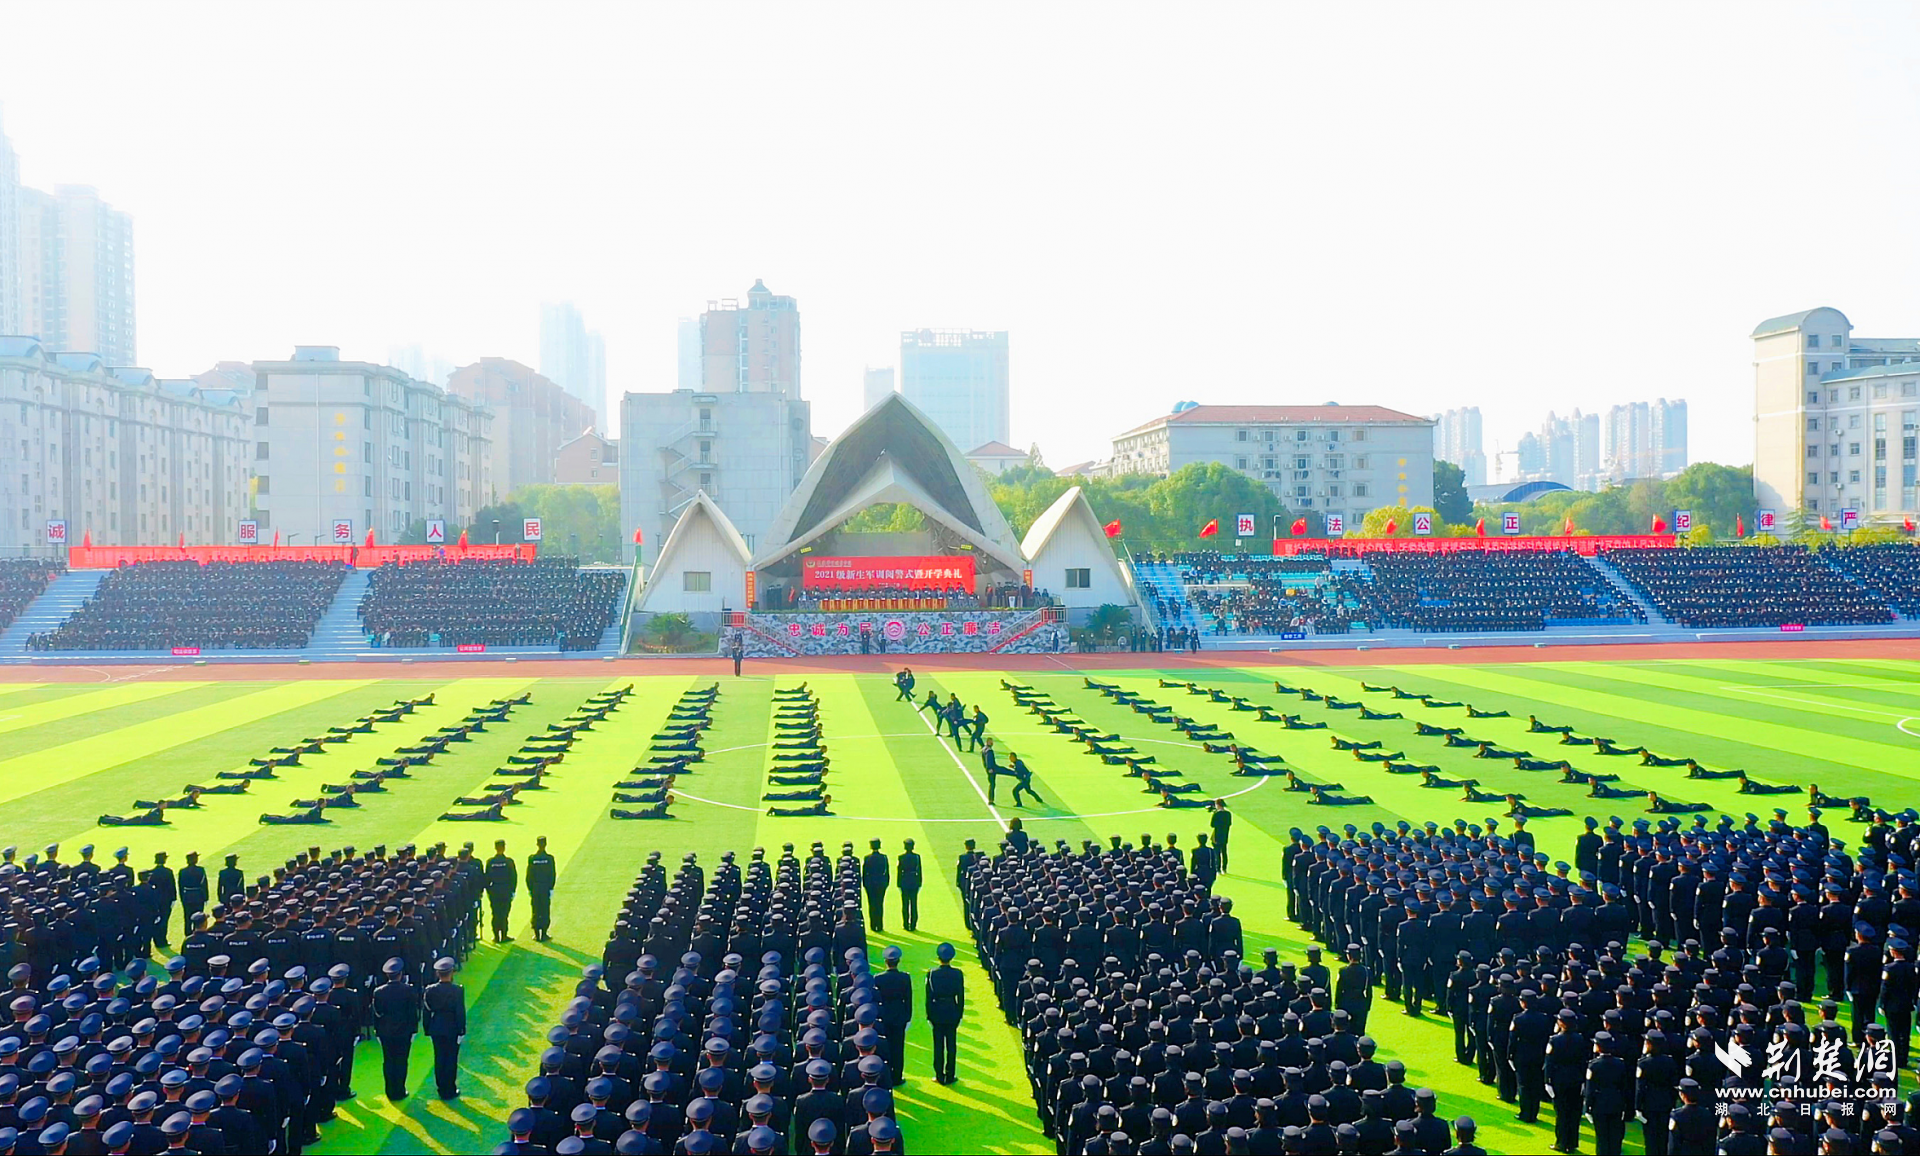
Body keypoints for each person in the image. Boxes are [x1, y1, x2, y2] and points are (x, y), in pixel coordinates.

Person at [373, 957, 421, 1100]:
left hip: (386, 1032)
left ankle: (390, 1091)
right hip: (404, 1031)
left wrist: (378, 1032)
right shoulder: (409, 990)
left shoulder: (378, 992)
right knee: (401, 1061)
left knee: (388, 1061)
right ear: (400, 974)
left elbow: (377, 1014)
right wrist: (414, 1030)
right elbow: (413, 1013)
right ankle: (400, 1090)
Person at [422, 957, 466, 1099]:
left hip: (436, 1027)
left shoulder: (430, 990)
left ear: (437, 974)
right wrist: (462, 1030)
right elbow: (460, 1011)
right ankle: (450, 1089)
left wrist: (427, 1028)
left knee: (439, 1058)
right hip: (452, 1028)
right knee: (451, 1059)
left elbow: (427, 1011)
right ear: (451, 972)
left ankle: (441, 1088)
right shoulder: (457, 990)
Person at [925, 942, 964, 1085]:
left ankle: (939, 1075)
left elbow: (928, 997)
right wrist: (959, 1014)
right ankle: (950, 1074)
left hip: (937, 1011)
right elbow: (960, 996)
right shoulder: (957, 974)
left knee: (938, 1045)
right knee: (951, 1045)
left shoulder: (932, 974)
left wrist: (929, 1014)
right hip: (952, 1010)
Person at [875, 946, 913, 1084]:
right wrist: (907, 1017)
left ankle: (885, 1076)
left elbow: (876, 999)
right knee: (898, 1048)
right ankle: (897, 1077)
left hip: (884, 1015)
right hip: (899, 1016)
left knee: (885, 1048)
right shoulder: (905, 977)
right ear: (898, 961)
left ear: (886, 962)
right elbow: (908, 999)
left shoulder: (878, 978)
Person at [526, 836, 557, 944]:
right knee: (544, 910)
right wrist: (551, 888)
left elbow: (529, 875)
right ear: (545, 844)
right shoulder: (549, 858)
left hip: (535, 888)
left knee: (535, 910)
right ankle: (543, 933)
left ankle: (536, 933)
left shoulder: (532, 858)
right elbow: (552, 874)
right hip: (545, 888)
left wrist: (530, 888)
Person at [486, 839, 518, 943]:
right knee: (504, 914)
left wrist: (489, 891)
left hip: (494, 891)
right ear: (504, 847)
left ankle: (496, 936)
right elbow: (513, 877)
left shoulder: (490, 862)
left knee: (495, 914)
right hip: (505, 891)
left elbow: (487, 878)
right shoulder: (509, 862)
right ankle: (504, 935)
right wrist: (512, 890)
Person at [177, 851, 208, 938]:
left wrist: (182, 897)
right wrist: (206, 897)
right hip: (198, 896)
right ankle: (196, 932)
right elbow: (204, 884)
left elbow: (180, 886)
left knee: (187, 917)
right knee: (198, 916)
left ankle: (187, 934)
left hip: (187, 896)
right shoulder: (200, 870)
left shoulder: (182, 871)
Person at [862, 840, 891, 933]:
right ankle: (880, 925)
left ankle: (873, 925)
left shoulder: (867, 858)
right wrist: (886, 883)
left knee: (872, 905)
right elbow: (887, 872)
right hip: (881, 884)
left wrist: (865, 884)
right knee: (880, 904)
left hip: (870, 884)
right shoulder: (883, 857)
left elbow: (864, 872)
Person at [897, 839, 922, 933]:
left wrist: (899, 883)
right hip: (914, 881)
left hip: (904, 881)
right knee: (914, 904)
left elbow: (899, 871)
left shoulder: (901, 857)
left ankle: (906, 924)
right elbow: (919, 870)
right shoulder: (917, 857)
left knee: (905, 904)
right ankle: (913, 924)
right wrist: (919, 882)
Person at [1209, 800, 1233, 873]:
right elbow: (1229, 823)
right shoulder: (1228, 814)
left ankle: (1218, 868)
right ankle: (1224, 868)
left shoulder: (1216, 814)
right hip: (1225, 834)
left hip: (1217, 835)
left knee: (1217, 853)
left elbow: (1212, 825)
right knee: (1224, 852)